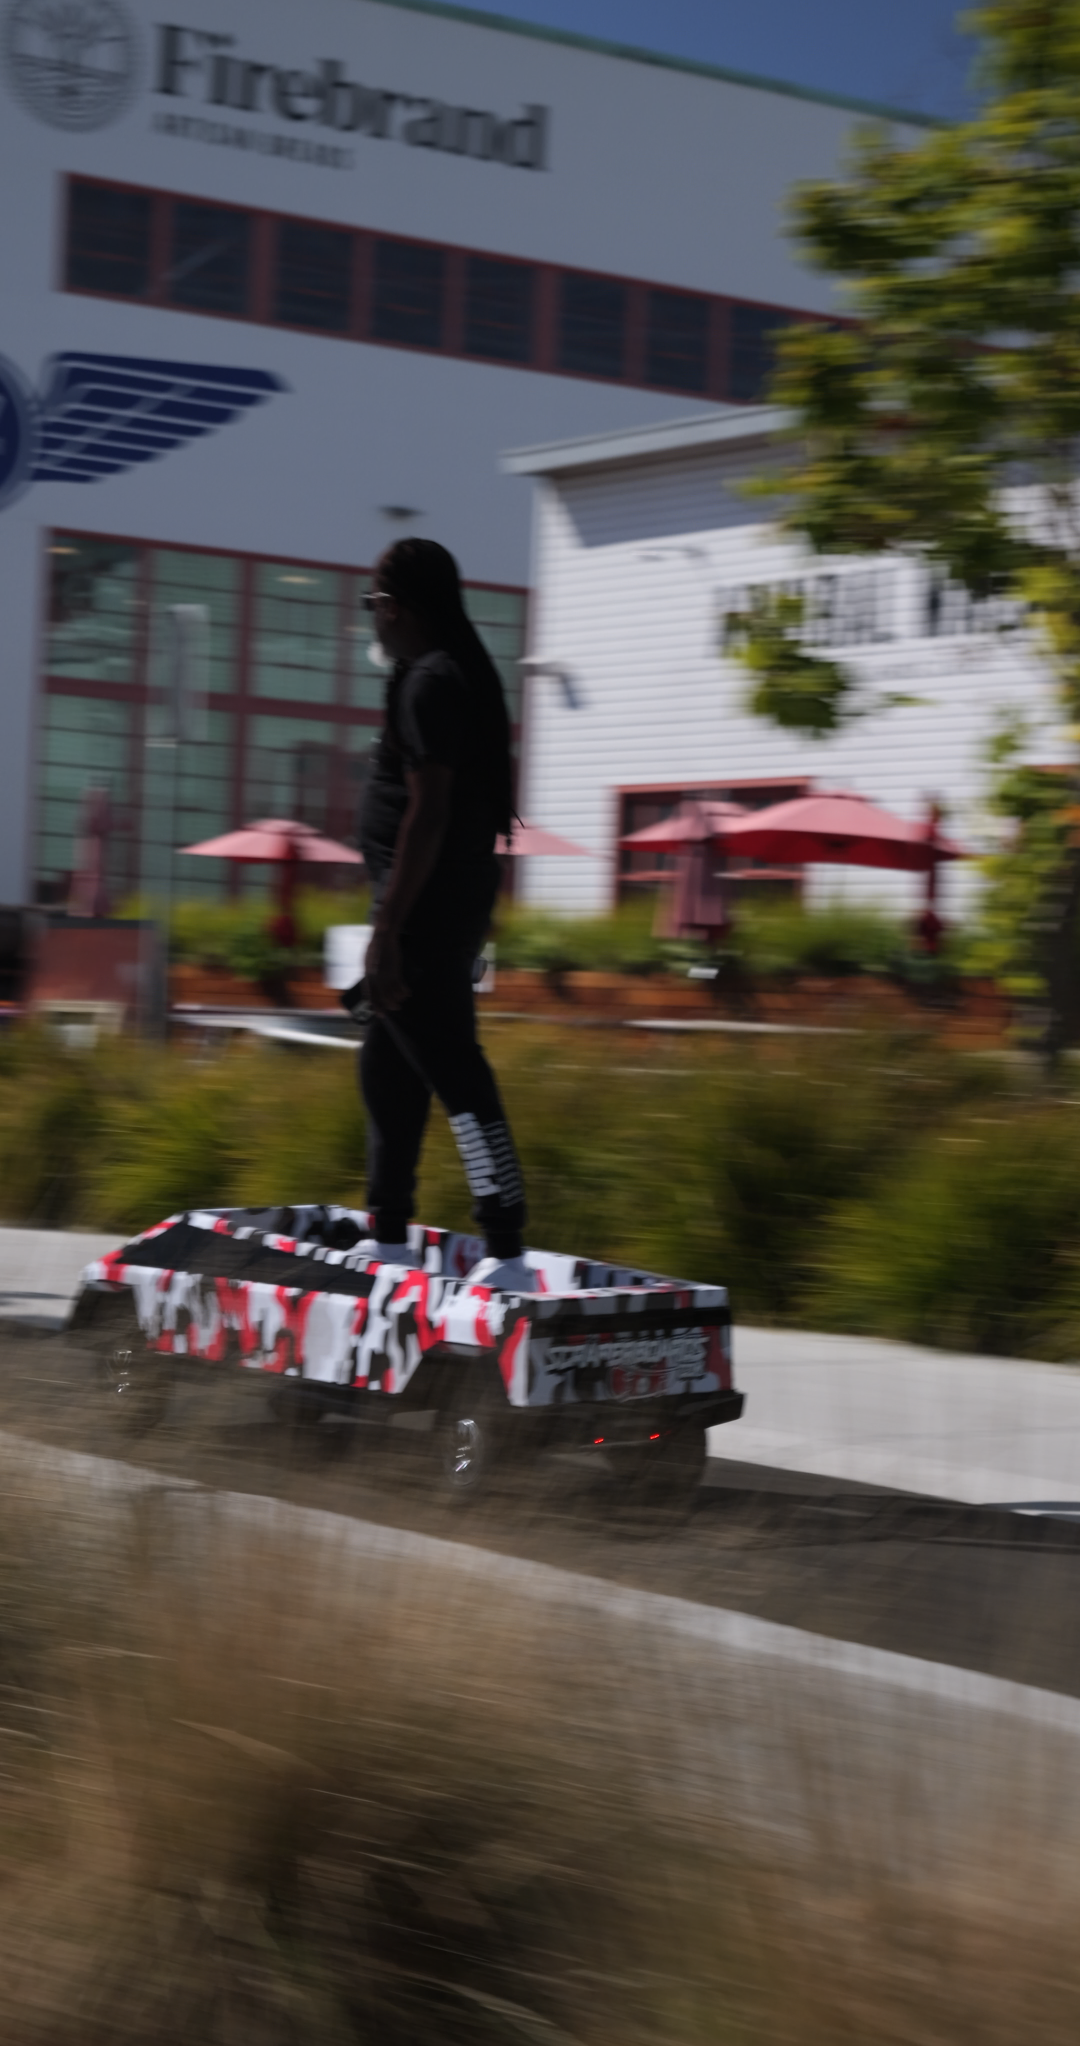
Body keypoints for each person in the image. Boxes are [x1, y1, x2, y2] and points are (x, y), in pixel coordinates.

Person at [353, 536, 533, 1290]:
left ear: (397, 607)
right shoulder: (462, 675)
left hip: (420, 909)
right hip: (446, 902)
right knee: (389, 1063)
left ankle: (505, 1247)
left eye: (374, 605)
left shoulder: (429, 682)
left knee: (455, 1072)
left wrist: (389, 931)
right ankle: (388, 1234)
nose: (374, 620)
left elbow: (428, 812)